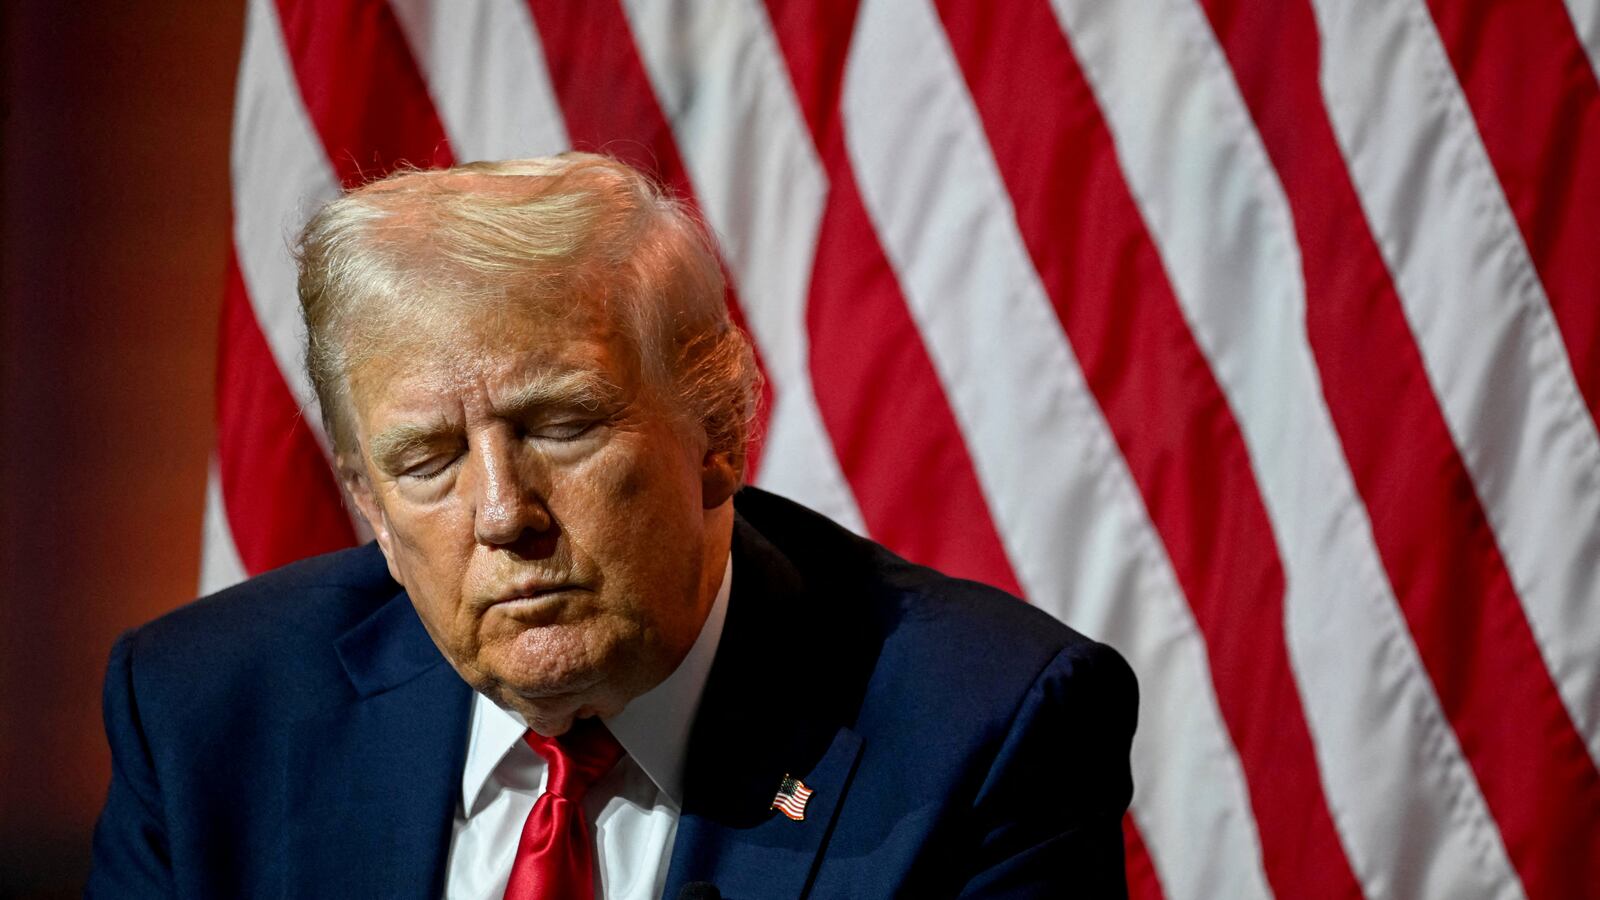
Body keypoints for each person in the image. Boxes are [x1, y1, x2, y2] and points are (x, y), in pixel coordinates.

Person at [88, 153, 1138, 899]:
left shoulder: (983, 727)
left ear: (718, 430)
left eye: (561, 426)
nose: (502, 514)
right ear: (366, 497)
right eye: (427, 462)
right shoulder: (206, 713)